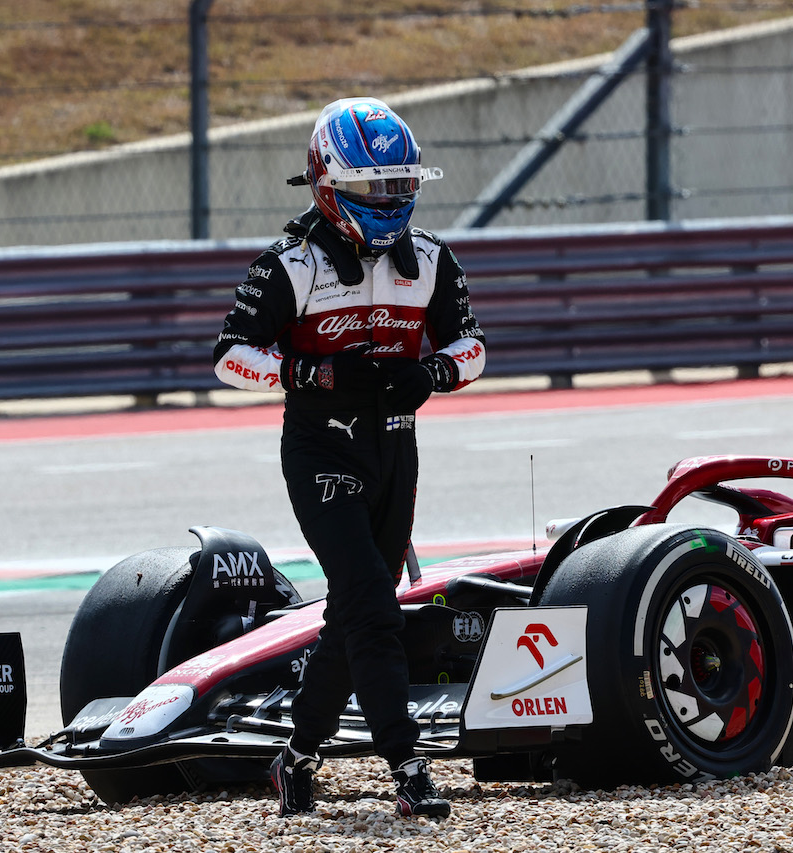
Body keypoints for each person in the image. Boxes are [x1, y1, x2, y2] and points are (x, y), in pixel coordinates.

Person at [212, 97, 486, 819]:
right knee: (374, 605)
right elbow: (229, 357)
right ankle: (407, 762)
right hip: (319, 447)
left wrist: (429, 375)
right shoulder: (290, 265)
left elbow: (474, 348)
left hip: (395, 445)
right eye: (375, 187)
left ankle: (296, 759)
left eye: (401, 185)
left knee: (354, 610)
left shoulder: (428, 258)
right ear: (328, 184)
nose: (390, 200)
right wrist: (308, 373)